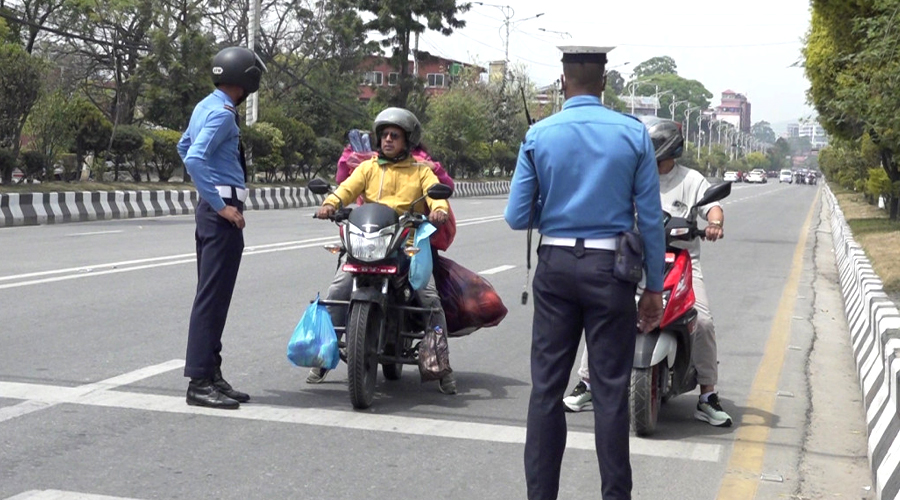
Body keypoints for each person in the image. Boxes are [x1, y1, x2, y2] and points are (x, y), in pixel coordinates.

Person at [504, 45, 666, 500]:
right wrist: (654, 286)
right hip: (611, 270)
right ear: (605, 82)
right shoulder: (632, 133)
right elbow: (650, 219)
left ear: (562, 82)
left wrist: (553, 209)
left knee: (546, 391)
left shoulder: (540, 133)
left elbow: (517, 216)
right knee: (611, 392)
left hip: (555, 267)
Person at [562, 116, 733, 428]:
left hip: (682, 260)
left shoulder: (690, 179)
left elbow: (714, 207)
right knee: (605, 311)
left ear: (666, 148)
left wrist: (714, 224)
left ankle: (708, 395)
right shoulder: (632, 175)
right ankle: (587, 383)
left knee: (704, 321)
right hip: (634, 259)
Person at [308, 107, 457, 394]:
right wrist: (330, 204)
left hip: (407, 240)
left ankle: (441, 365)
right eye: (384, 135)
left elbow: (437, 197)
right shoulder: (368, 168)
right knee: (338, 290)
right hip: (369, 239)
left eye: (395, 136)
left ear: (408, 141)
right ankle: (322, 358)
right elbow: (346, 190)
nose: (387, 140)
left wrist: (438, 210)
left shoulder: (420, 172)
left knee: (428, 299)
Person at [177, 46, 266, 410]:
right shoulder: (223, 116)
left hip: (213, 210)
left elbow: (184, 145)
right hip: (221, 212)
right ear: (245, 80)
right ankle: (199, 381)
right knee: (211, 299)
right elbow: (194, 157)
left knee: (213, 296)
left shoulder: (205, 106)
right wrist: (221, 206)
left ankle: (211, 373)